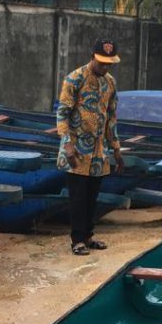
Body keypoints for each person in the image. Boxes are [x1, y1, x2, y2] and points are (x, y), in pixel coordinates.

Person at [56, 38, 124, 256]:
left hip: (99, 152)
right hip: (76, 149)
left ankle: (88, 235)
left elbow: (111, 116)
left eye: (109, 64)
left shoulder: (110, 83)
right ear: (92, 56)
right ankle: (77, 240)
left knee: (92, 197)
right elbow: (62, 113)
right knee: (77, 197)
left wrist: (115, 147)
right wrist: (67, 145)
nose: (105, 67)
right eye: (101, 63)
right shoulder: (74, 79)